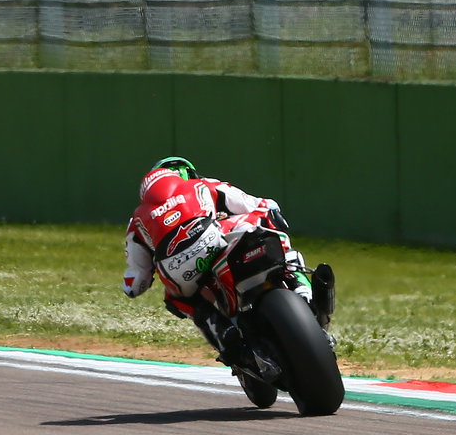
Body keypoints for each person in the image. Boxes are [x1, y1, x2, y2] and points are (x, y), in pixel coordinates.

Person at [122, 156, 332, 366]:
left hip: (176, 269)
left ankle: (223, 333)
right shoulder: (202, 184)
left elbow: (137, 280)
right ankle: (303, 293)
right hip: (213, 238)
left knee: (179, 300)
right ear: (186, 174)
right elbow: (256, 204)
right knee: (278, 240)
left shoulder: (137, 219)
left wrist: (131, 287)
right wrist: (273, 219)